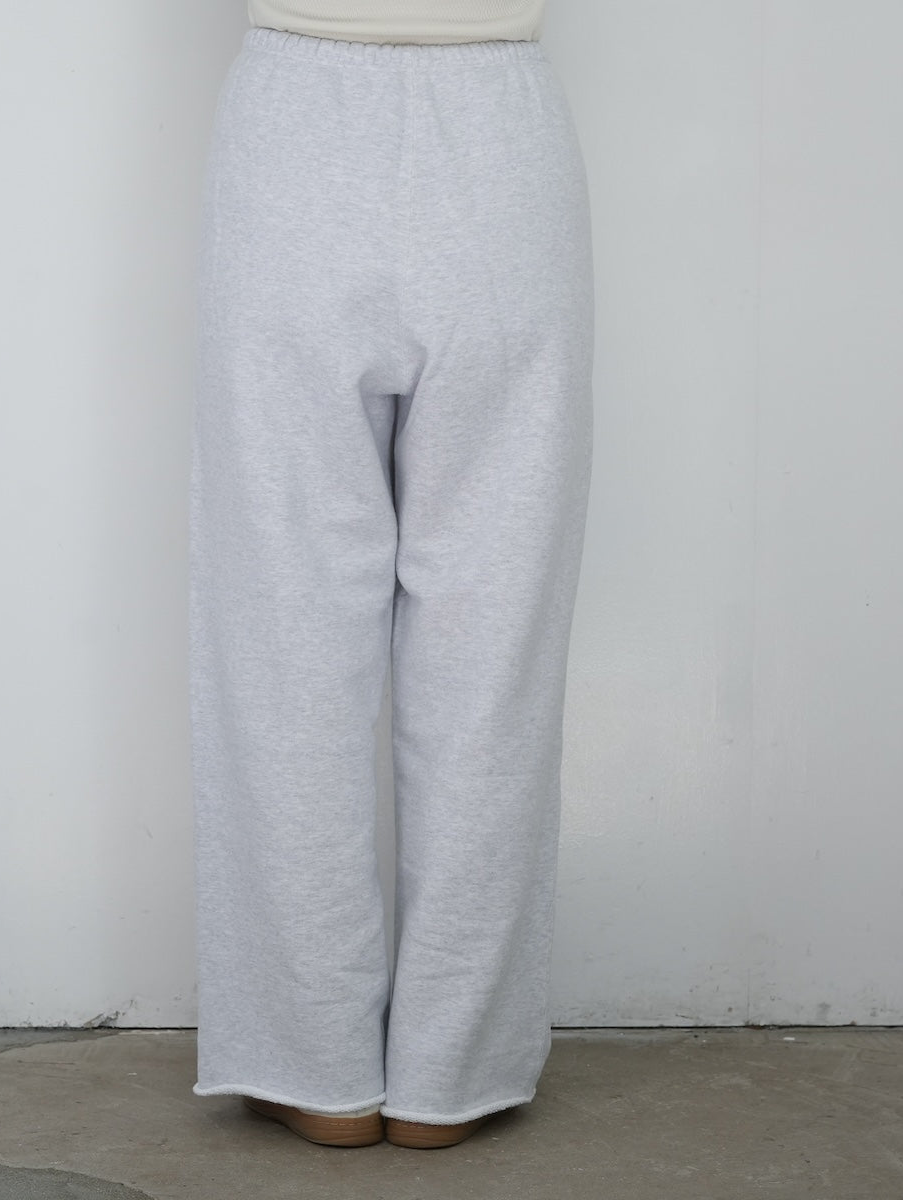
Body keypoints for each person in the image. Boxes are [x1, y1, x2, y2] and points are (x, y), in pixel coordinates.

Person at [188, 0, 593, 1149]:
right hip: (504, 137)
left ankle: (312, 1060)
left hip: (292, 133)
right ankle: (453, 1067)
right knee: (493, 636)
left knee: (284, 626)